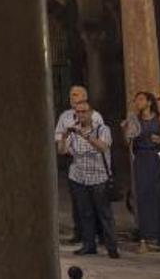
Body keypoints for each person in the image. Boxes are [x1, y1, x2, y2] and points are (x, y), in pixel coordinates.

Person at [59, 100, 119, 258]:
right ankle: (88, 245)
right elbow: (63, 151)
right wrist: (64, 137)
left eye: (84, 112)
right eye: (78, 112)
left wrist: (86, 136)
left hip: (99, 178)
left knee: (104, 213)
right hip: (79, 178)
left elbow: (103, 147)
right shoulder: (74, 133)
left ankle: (112, 246)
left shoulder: (102, 129)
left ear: (91, 113)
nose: (81, 115)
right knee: (85, 213)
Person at [54, 85, 104, 245]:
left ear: (84, 97)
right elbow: (58, 135)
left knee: (96, 200)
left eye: (75, 94)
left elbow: (100, 136)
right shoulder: (65, 116)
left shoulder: (95, 116)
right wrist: (65, 142)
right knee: (78, 200)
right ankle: (80, 233)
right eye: (70, 95)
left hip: (92, 160)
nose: (71, 97)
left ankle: (101, 233)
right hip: (73, 159)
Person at [123, 91, 160, 252]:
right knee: (142, 197)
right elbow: (128, 141)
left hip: (156, 158)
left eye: (141, 99)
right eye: (136, 100)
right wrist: (127, 130)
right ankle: (145, 238)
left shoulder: (159, 118)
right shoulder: (135, 120)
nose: (138, 102)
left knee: (159, 196)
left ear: (149, 102)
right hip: (141, 159)